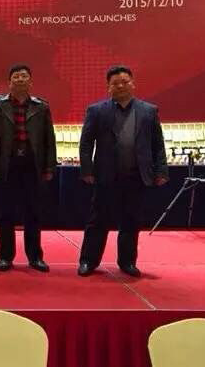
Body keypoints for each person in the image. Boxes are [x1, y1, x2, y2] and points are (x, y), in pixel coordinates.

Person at [78, 65, 169, 277]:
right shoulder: (97, 111)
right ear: (108, 87)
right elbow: (86, 143)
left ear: (133, 84)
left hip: (136, 176)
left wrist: (161, 171)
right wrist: (87, 170)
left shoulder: (148, 111)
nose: (120, 86)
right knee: (97, 220)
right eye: (115, 83)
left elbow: (158, 144)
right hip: (105, 175)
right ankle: (88, 261)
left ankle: (127, 262)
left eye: (125, 82)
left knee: (131, 220)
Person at [0, 64, 56, 273]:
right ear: (9, 82)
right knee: (5, 213)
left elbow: (49, 140)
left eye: (24, 76)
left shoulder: (41, 107)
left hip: (33, 165)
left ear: (30, 82)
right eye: (16, 76)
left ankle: (35, 257)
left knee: (33, 213)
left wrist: (49, 166)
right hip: (7, 165)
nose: (20, 79)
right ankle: (5, 257)